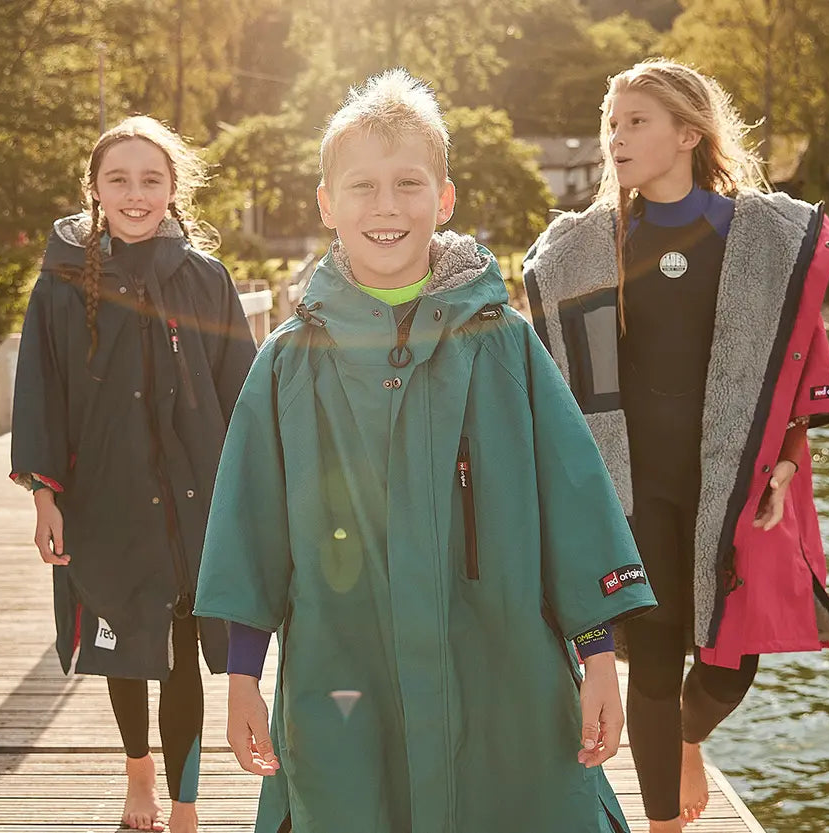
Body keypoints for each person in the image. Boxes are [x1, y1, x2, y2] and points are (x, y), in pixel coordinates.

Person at [194, 69, 657, 833]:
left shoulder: (503, 344)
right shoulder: (288, 361)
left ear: (444, 200)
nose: (386, 207)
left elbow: (573, 496)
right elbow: (251, 522)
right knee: (350, 802)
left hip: (499, 659)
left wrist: (599, 655)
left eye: (408, 184)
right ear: (326, 205)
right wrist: (244, 675)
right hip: (345, 662)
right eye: (362, 186)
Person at [523, 59, 829, 832]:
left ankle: (688, 734)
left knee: (727, 664)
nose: (616, 138)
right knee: (651, 656)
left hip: (733, 481)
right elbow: (556, 374)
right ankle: (663, 825)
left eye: (636, 121)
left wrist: (786, 455)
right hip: (633, 486)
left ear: (688, 132)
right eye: (611, 123)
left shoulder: (761, 240)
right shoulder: (589, 247)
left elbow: (797, 350)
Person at [9, 115, 258, 833]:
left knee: (182, 644)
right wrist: (44, 496)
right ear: (94, 188)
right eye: (118, 179)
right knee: (123, 643)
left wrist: (250, 496)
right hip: (106, 498)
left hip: (192, 497)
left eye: (151, 179)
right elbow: (40, 391)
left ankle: (184, 805)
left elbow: (241, 389)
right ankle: (138, 776)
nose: (135, 193)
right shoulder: (60, 286)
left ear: (173, 188)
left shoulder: (206, 279)